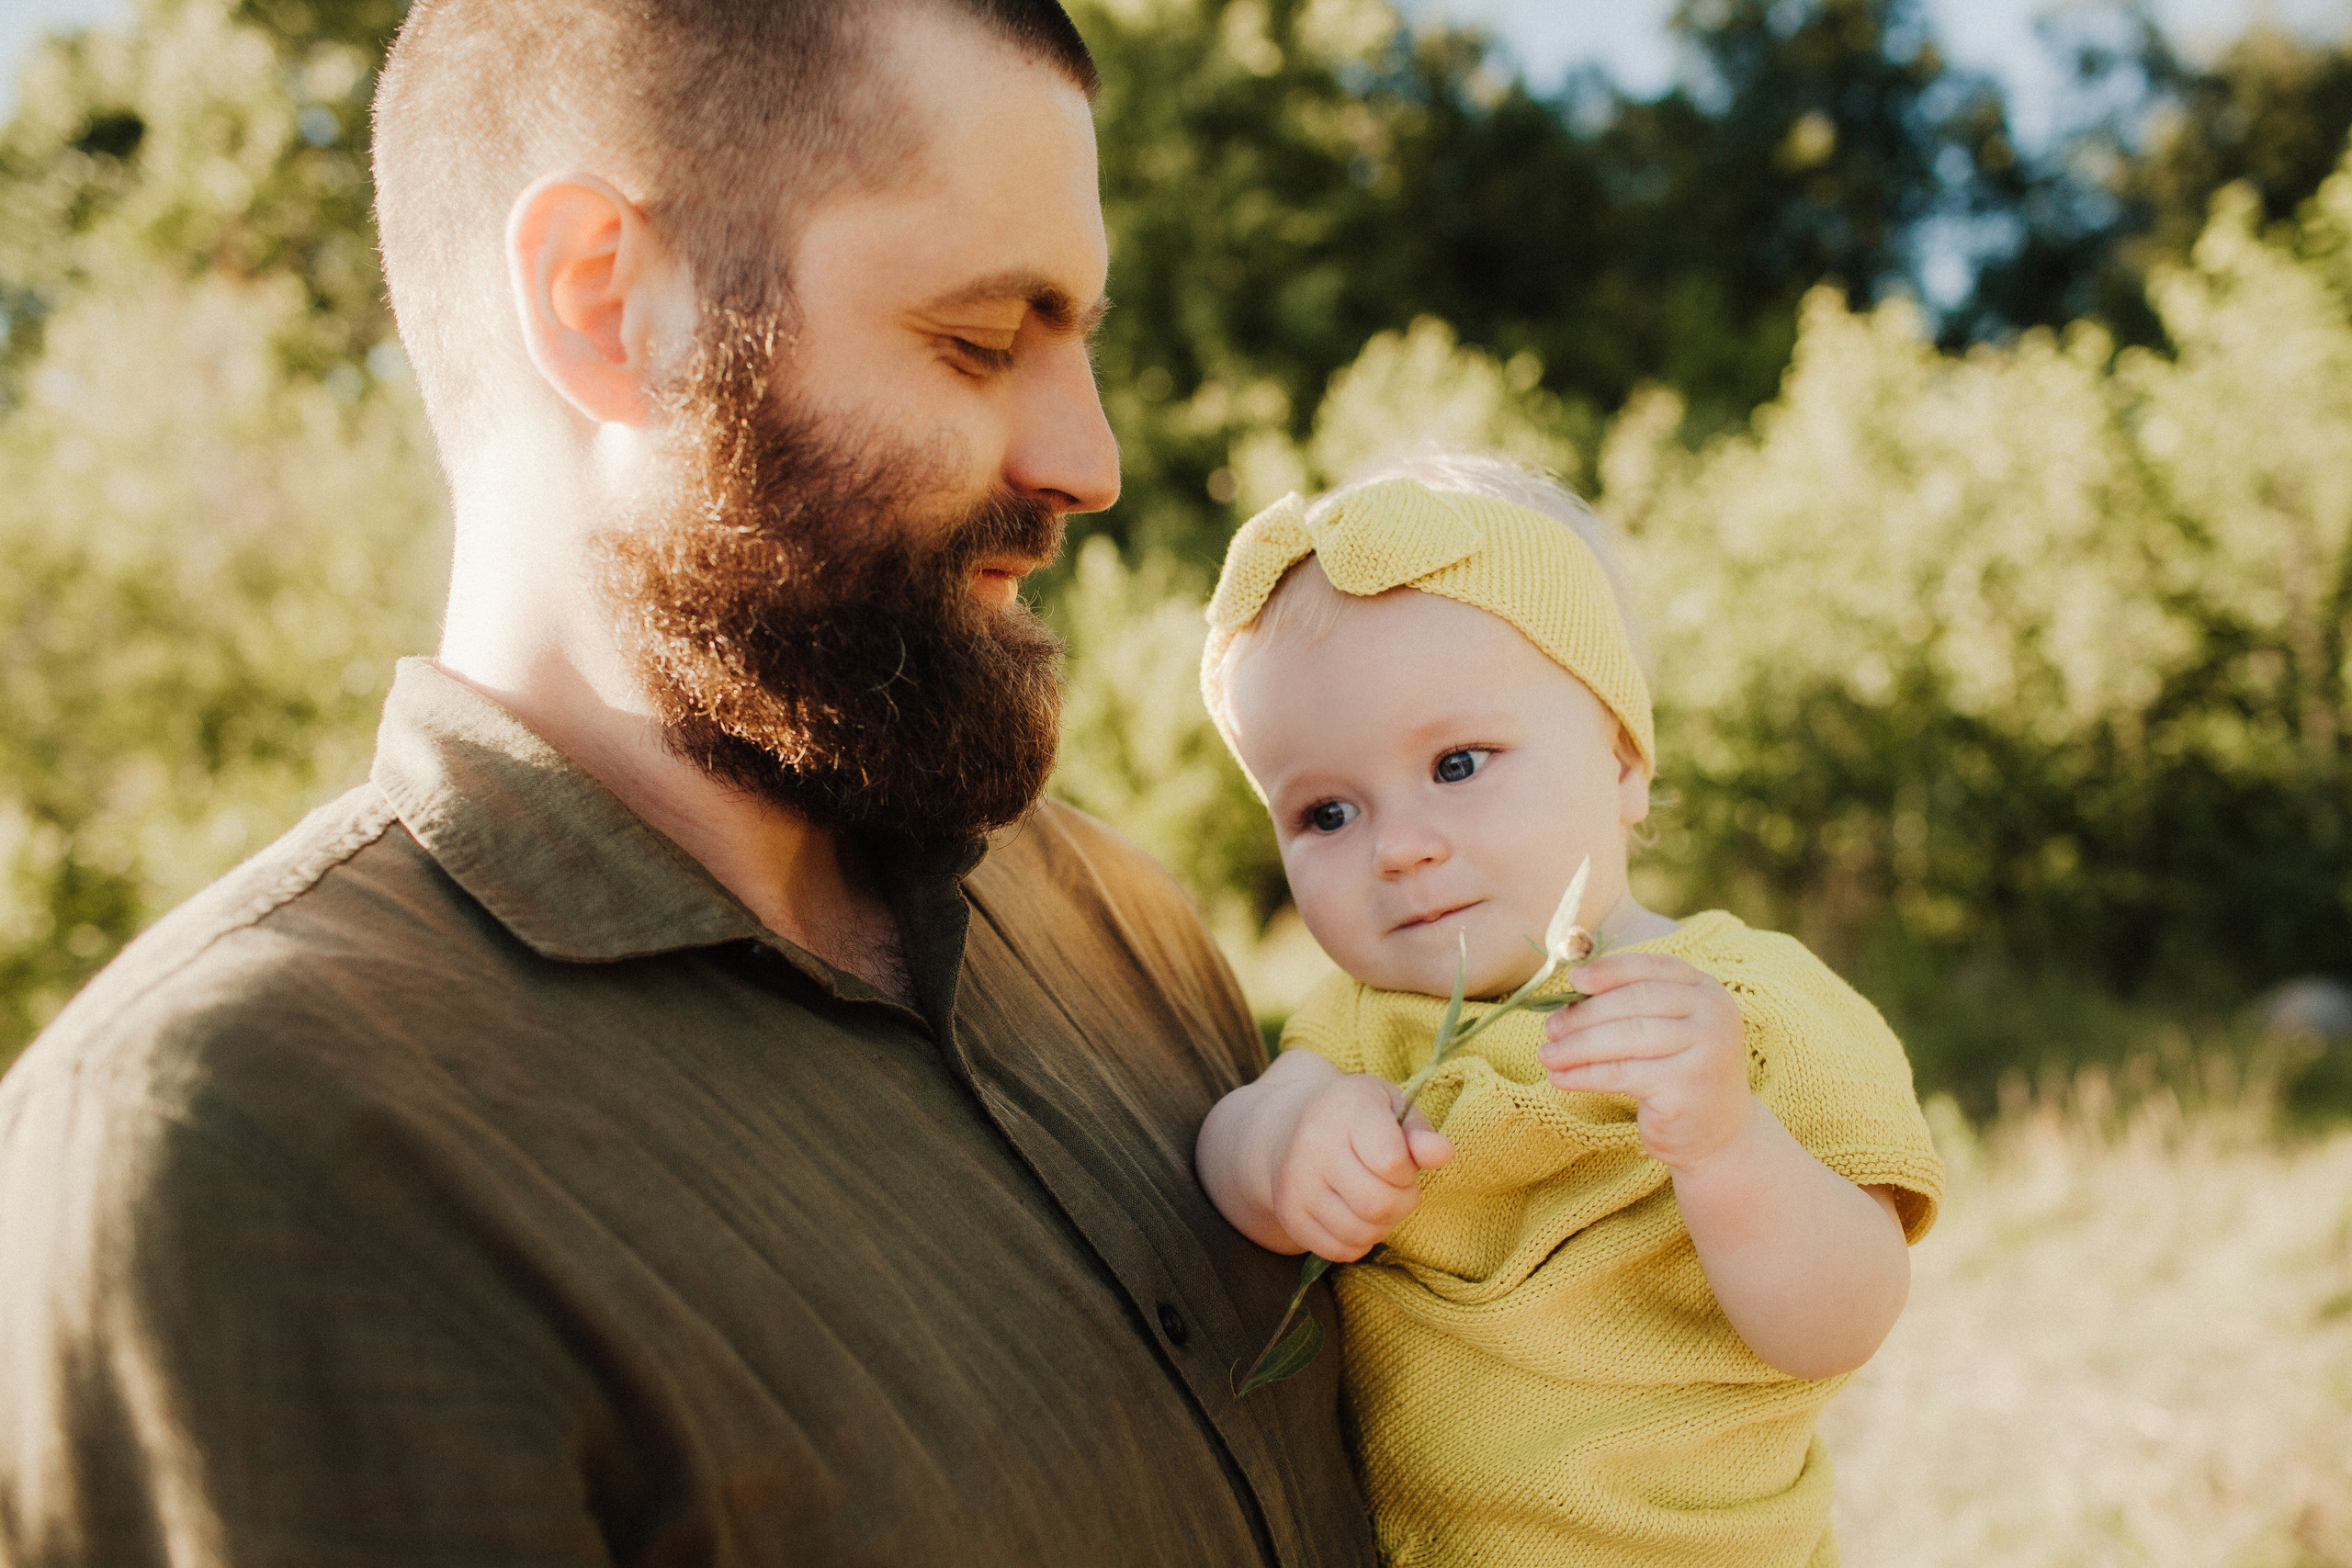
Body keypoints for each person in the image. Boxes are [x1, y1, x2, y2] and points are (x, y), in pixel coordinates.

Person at [0, 2, 1378, 1562]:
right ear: (603, 303)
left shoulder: (1107, 916)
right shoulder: (233, 1142)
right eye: (982, 340)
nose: (1090, 456)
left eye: (1081, 341)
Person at [1193, 455, 1944, 1567]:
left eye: (1457, 763)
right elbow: (1228, 1142)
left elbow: (1843, 1320)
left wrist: (1729, 1143)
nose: (1401, 845)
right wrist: (1285, 1152)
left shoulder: (1749, 1005)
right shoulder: (1362, 1026)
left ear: (1623, 762)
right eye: (1326, 811)